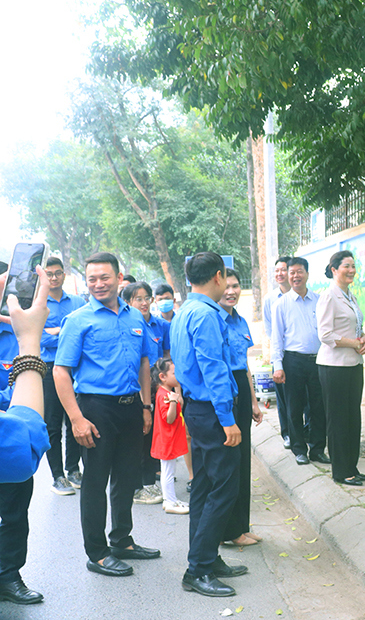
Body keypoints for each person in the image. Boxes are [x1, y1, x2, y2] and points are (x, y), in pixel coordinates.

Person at [53, 252, 159, 577]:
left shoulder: (134, 317)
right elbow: (60, 371)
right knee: (96, 482)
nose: (98, 284)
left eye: (104, 278)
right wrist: (76, 419)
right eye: (92, 279)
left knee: (127, 478)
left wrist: (145, 406)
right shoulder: (79, 320)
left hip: (130, 407)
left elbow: (144, 363)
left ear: (119, 277)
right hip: (96, 409)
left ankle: (122, 541)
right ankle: (97, 553)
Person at [169, 252, 247, 597]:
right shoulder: (207, 316)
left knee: (202, 487)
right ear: (218, 275)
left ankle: (207, 557)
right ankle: (197, 570)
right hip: (212, 412)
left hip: (197, 411)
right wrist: (228, 420)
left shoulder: (185, 311)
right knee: (223, 488)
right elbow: (214, 370)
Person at [0, 267, 51, 605]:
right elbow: (24, 444)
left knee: (14, 514)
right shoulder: (24, 331)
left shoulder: (13, 329)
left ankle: (8, 574)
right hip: (11, 440)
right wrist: (28, 341)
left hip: (10, 434)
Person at [218, 268, 264, 545]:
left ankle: (241, 526)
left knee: (244, 460)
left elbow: (244, 364)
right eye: (227, 286)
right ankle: (229, 531)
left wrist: (254, 401)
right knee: (229, 464)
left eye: (236, 286)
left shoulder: (241, 321)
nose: (232, 291)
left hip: (241, 388)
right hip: (225, 389)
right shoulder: (214, 321)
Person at [316, 251, 365, 486]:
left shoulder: (350, 296)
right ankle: (341, 472)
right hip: (334, 367)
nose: (351, 270)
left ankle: (352, 467)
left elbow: (355, 326)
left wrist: (364, 338)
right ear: (334, 269)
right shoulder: (329, 296)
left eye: (353, 266)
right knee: (338, 419)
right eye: (346, 266)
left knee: (352, 418)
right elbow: (325, 334)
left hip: (353, 364)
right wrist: (354, 343)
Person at [271, 257, 327, 466]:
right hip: (292, 361)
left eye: (299, 271)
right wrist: (277, 366)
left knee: (318, 406)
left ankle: (318, 448)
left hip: (319, 360)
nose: (295, 276)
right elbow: (276, 337)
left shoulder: (320, 300)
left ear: (307, 274)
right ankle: (299, 449)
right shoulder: (281, 304)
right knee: (294, 407)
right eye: (291, 272)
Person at [39, 257, 85, 496]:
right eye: (49, 274)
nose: (54, 278)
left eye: (57, 273)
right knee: (53, 424)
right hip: (48, 368)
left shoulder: (77, 302)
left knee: (75, 418)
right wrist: (66, 333)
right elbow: (40, 337)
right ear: (43, 276)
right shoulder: (38, 304)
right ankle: (57, 475)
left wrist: (57, 332)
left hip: (74, 368)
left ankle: (73, 469)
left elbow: (84, 334)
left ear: (64, 275)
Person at [122, 281, 169, 506]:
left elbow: (167, 358)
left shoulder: (160, 325)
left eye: (146, 298)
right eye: (137, 299)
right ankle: (136, 485)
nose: (143, 303)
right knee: (139, 435)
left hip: (157, 387)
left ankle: (149, 482)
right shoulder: (127, 325)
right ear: (128, 302)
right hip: (136, 387)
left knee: (154, 434)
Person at [150, 358, 189, 515]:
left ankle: (171, 499)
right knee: (167, 472)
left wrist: (176, 394)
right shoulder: (164, 396)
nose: (177, 375)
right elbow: (169, 418)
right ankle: (169, 501)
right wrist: (173, 402)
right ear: (162, 377)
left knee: (169, 470)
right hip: (166, 439)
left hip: (169, 438)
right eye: (174, 373)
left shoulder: (167, 393)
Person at [262, 257, 293, 448]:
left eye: (283, 270)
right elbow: (269, 330)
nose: (279, 274)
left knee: (304, 396)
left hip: (300, 353)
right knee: (283, 397)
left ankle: (305, 431)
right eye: (277, 270)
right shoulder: (270, 299)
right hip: (280, 355)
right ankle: (287, 434)